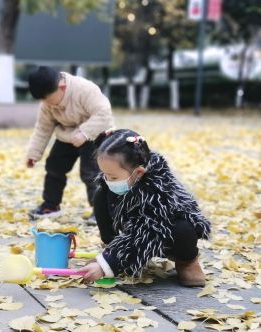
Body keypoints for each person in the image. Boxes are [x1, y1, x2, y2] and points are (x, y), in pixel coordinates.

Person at [79, 129, 211, 287]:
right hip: (135, 229)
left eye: (113, 177)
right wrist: (110, 255)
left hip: (167, 232)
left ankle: (187, 261)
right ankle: (114, 247)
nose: (108, 180)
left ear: (139, 172)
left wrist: (107, 264)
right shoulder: (119, 181)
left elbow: (145, 232)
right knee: (100, 194)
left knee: (182, 229)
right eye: (105, 174)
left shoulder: (159, 192)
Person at [26, 66, 114, 225]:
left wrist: (85, 133)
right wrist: (34, 153)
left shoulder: (84, 89)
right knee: (54, 166)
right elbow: (43, 128)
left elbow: (104, 114)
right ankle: (51, 206)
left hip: (94, 134)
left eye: (49, 99)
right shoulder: (47, 103)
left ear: (62, 87)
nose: (47, 104)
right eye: (43, 100)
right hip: (68, 135)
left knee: (90, 173)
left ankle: (101, 211)